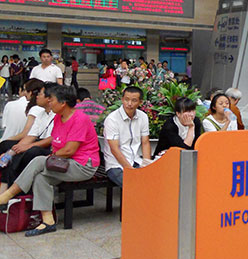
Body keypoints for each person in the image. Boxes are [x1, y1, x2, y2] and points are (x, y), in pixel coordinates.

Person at [0, 85, 99, 237]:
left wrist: (48, 158)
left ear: (63, 103)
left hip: (83, 166)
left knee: (39, 160)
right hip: (64, 163)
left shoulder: (80, 119)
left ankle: (6, 196)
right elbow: (56, 141)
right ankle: (48, 222)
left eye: (51, 99)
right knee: (41, 177)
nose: (49, 102)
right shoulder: (59, 117)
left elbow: (69, 150)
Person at [102, 86, 151, 187]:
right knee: (133, 186)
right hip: (116, 165)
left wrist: (147, 166)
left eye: (134, 100)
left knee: (153, 182)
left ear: (140, 102)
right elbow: (114, 149)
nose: (129, 104)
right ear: (122, 99)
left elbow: (145, 142)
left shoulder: (143, 117)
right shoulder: (112, 119)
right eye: (126, 99)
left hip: (136, 160)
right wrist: (130, 170)